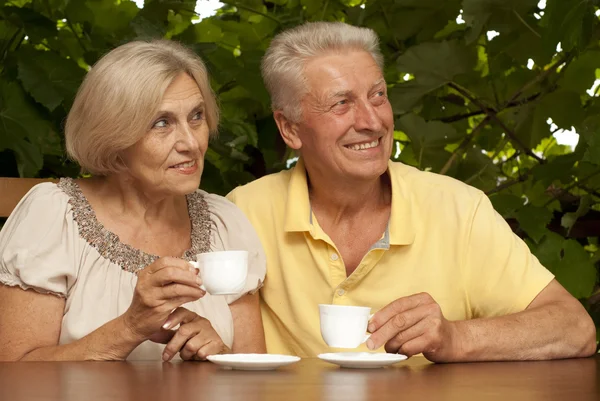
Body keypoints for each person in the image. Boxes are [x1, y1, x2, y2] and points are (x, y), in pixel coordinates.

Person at [227, 22, 597, 361]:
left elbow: (575, 329)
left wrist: (455, 338)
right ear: (289, 129)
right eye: (342, 103)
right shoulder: (242, 213)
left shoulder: (458, 209)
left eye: (377, 96)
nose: (372, 122)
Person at [0, 40, 266, 361]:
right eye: (162, 123)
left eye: (196, 116)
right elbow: (14, 372)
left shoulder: (226, 222)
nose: (191, 142)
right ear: (113, 137)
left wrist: (217, 353)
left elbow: (253, 376)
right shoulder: (52, 216)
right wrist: (130, 327)